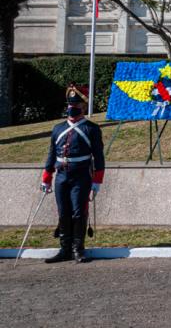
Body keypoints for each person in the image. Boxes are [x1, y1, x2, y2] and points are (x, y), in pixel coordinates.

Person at [41, 83, 105, 263]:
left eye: (75, 105)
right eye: (70, 105)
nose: (71, 108)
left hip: (81, 176)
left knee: (78, 212)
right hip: (61, 175)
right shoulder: (57, 129)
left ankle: (78, 249)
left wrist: (97, 181)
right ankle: (64, 249)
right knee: (63, 212)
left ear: (83, 107)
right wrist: (47, 178)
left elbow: (98, 157)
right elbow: (52, 155)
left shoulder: (91, 129)